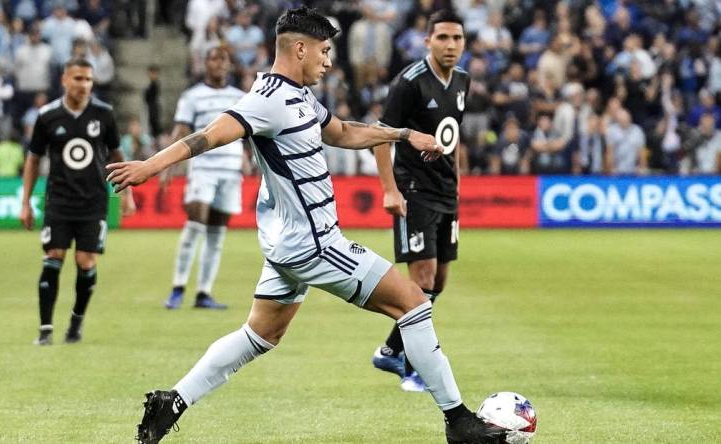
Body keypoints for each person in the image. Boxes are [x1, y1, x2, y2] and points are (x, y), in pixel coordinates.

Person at [107, 7, 503, 444]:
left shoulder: (299, 95)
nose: (329, 61)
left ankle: (172, 402)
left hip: (287, 246)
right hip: (315, 245)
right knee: (413, 303)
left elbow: (344, 132)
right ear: (300, 48)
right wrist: (150, 165)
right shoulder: (265, 101)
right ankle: (459, 420)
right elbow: (209, 135)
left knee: (260, 335)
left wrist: (403, 135)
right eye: (325, 50)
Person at [370, 10, 469, 392]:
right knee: (422, 280)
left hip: (446, 194)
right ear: (427, 41)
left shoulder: (462, 80)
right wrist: (390, 189)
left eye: (457, 39)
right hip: (414, 190)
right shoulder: (409, 83)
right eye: (442, 38)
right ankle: (411, 365)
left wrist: (456, 184)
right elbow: (379, 135)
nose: (450, 45)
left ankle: (391, 349)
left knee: (438, 282)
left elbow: (453, 136)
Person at [19, 57, 136, 346]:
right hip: (58, 201)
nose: (84, 85)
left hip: (93, 201)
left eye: (88, 80)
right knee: (53, 256)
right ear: (64, 80)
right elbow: (33, 160)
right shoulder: (47, 116)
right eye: (78, 79)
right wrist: (25, 202)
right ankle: (45, 329)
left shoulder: (104, 114)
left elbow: (116, 156)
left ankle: (76, 322)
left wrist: (126, 193)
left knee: (85, 262)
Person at [163, 46, 247, 310]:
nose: (219, 64)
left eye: (224, 59)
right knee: (194, 226)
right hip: (204, 169)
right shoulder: (192, 96)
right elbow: (181, 130)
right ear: (205, 63)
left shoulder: (240, 97)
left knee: (216, 234)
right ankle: (177, 288)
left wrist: (249, 158)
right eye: (214, 59)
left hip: (231, 171)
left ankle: (203, 292)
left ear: (229, 65)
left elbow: (250, 131)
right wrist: (166, 164)